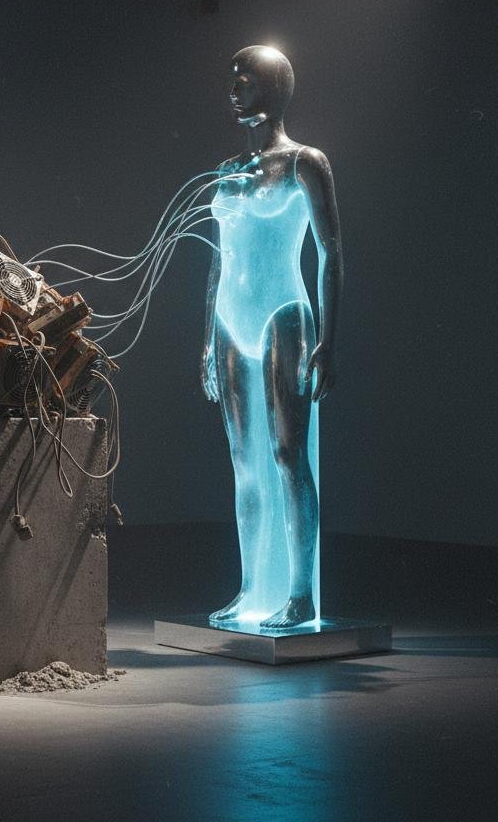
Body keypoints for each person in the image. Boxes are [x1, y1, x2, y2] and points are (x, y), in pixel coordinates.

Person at [201, 45, 342, 630]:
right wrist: (208, 339)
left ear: (276, 88)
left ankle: (301, 593)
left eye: (246, 80)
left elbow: (331, 253)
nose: (234, 89)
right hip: (232, 320)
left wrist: (329, 341)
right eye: (231, 80)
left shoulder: (306, 162)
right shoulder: (227, 172)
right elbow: (217, 258)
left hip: (284, 314)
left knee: (288, 455)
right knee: (244, 462)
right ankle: (252, 587)